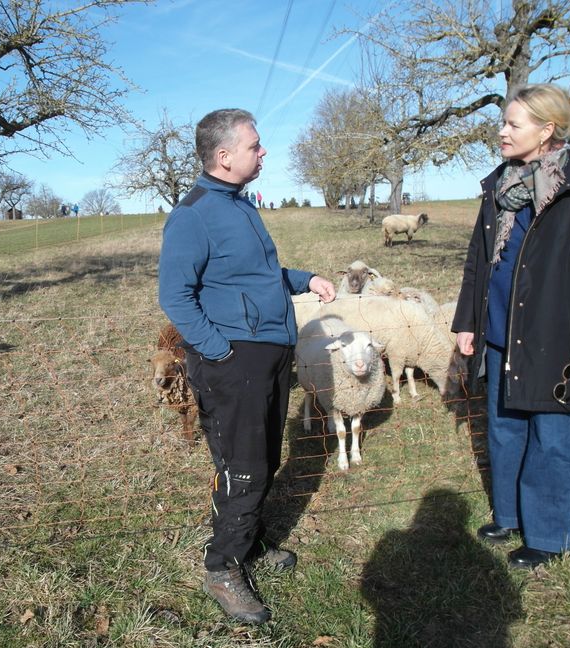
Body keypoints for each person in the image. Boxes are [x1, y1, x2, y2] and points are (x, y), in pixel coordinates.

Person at [158, 108, 335, 623]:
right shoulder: (193, 215)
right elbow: (174, 295)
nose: (263, 152)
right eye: (254, 145)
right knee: (244, 466)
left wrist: (304, 279)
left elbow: (256, 273)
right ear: (224, 155)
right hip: (235, 360)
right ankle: (222, 567)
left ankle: (248, 539)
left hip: (268, 354)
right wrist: (219, 351)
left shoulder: (239, 204)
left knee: (262, 458)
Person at [452, 84, 570, 570]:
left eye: (513, 124)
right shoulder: (499, 186)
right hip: (500, 331)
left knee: (550, 436)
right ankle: (509, 516)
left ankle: (546, 536)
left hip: (554, 339)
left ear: (546, 130)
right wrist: (468, 322)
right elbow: (478, 260)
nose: (502, 132)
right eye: (503, 122)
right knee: (505, 428)